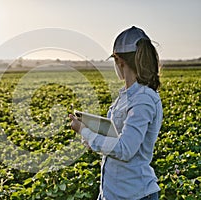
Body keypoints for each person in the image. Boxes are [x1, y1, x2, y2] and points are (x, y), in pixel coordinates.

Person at [69, 26, 163, 200]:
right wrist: (91, 134)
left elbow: (125, 149)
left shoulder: (142, 99)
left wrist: (84, 130)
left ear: (119, 60)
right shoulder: (126, 96)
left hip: (134, 194)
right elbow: (114, 141)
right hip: (112, 192)